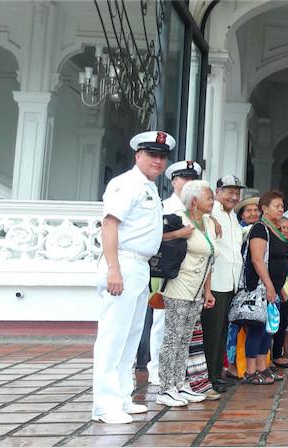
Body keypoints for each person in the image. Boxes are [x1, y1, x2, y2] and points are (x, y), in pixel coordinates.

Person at [92, 131, 170, 424]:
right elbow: (110, 224)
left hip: (140, 265)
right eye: (152, 155)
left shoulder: (148, 187)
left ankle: (122, 396)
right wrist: (113, 268)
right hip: (123, 261)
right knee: (113, 336)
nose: (157, 161)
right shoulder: (125, 184)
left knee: (131, 335)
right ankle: (104, 404)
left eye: (162, 156)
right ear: (138, 155)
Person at [155, 180, 218, 406]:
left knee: (186, 338)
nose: (213, 201)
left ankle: (181, 383)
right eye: (209, 197)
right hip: (179, 286)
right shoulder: (178, 218)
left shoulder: (208, 223)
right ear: (194, 201)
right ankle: (165, 388)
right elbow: (156, 239)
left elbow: (210, 258)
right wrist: (178, 234)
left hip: (197, 290)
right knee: (173, 337)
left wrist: (207, 291)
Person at [148, 159, 202, 386]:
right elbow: (154, 238)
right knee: (163, 320)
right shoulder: (164, 206)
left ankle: (179, 371)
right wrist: (178, 234)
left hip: (191, 274)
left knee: (186, 325)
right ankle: (156, 368)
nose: (188, 183)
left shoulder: (198, 210)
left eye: (193, 179)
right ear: (173, 181)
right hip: (167, 270)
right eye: (184, 178)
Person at [239, 192, 288, 385]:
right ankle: (250, 371)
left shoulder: (275, 229)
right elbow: (257, 259)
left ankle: (263, 366)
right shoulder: (260, 229)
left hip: (273, 288)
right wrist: (269, 286)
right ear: (264, 209)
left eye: (282, 206)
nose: (281, 209)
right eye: (276, 206)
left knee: (269, 329)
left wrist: (280, 288)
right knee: (257, 328)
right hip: (259, 288)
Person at [204, 175, 244, 393]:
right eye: (229, 191)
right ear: (217, 192)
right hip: (216, 281)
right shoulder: (213, 212)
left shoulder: (233, 217)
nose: (234, 196)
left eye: (237, 193)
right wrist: (211, 217)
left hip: (230, 282)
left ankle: (217, 372)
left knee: (222, 331)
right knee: (212, 330)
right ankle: (210, 376)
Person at [224, 195, 260, 380]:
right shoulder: (239, 231)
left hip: (255, 285)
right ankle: (231, 364)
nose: (253, 213)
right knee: (234, 325)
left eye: (255, 210)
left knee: (254, 324)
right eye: (248, 210)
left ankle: (249, 363)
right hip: (237, 282)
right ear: (242, 215)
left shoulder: (262, 230)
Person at [270, 217, 288, 369]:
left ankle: (277, 355)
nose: (285, 231)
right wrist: (281, 290)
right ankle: (268, 356)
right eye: (282, 228)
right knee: (272, 324)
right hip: (277, 289)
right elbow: (273, 270)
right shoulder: (274, 244)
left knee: (283, 323)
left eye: (287, 228)